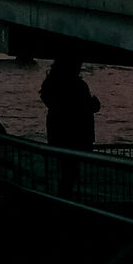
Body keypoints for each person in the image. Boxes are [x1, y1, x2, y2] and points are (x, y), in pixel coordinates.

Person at [40, 56, 99, 198]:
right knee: (70, 173)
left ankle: (63, 199)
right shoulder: (79, 85)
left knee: (66, 172)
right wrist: (94, 105)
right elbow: (86, 108)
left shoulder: (51, 85)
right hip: (77, 136)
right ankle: (66, 200)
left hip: (58, 136)